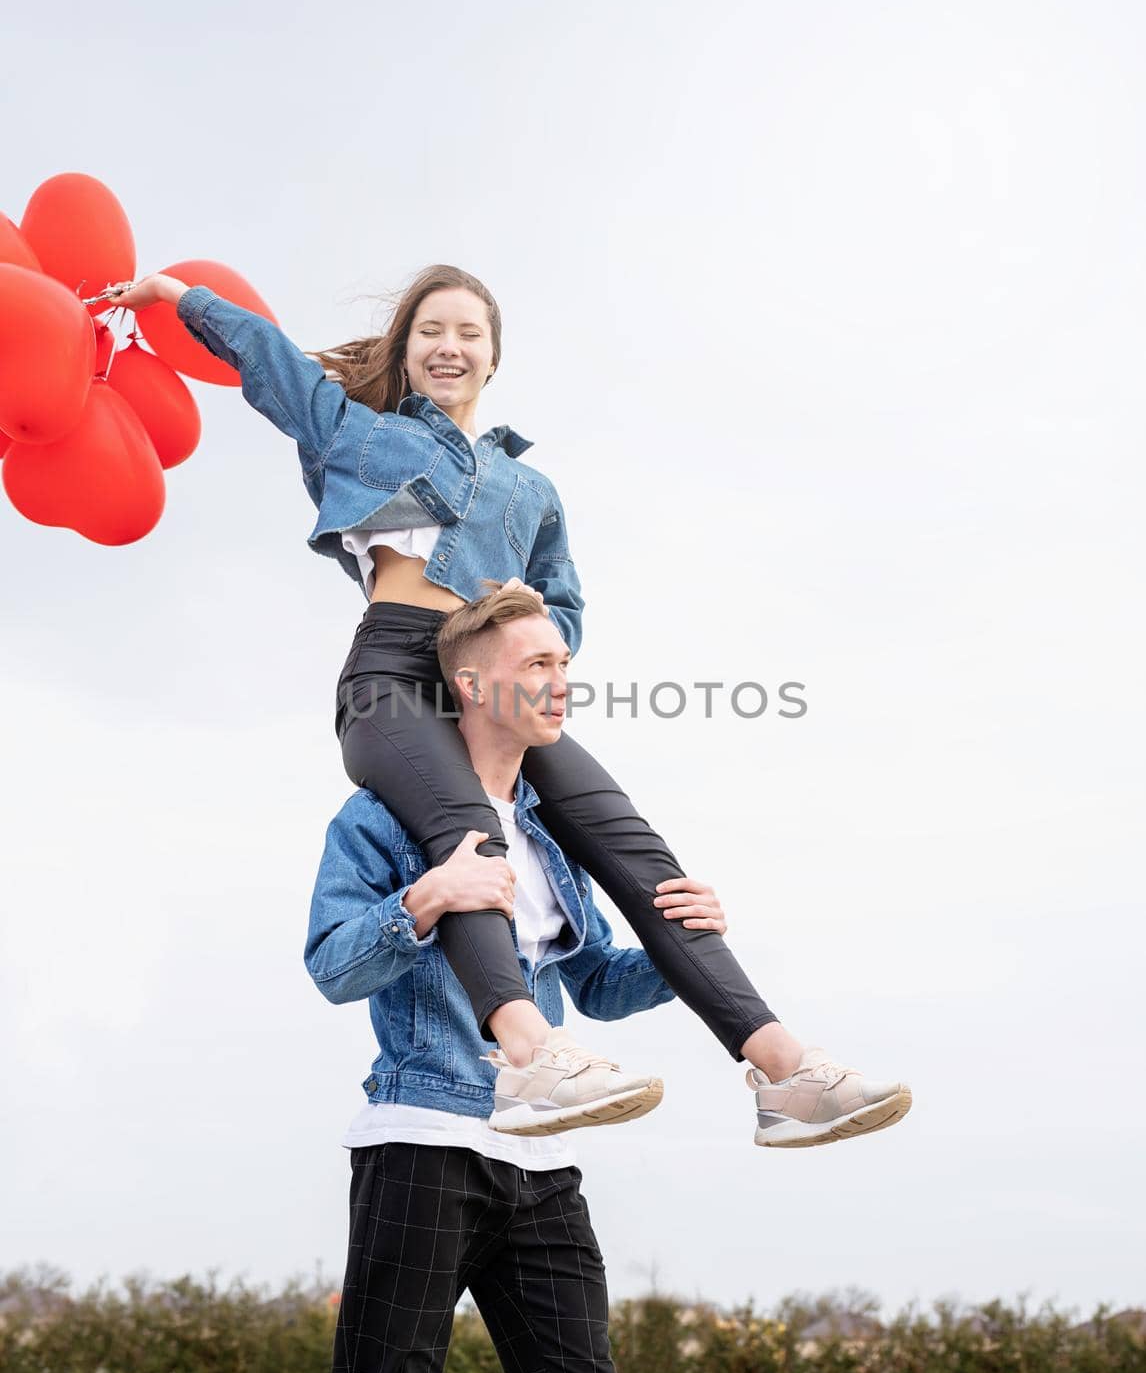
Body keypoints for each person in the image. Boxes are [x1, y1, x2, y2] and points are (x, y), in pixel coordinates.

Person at [104, 269, 911, 1148]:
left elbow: (565, 605)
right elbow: (265, 358)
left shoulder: (532, 492)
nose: (449, 346)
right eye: (430, 331)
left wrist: (517, 631)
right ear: (407, 351)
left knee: (633, 846)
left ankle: (786, 1070)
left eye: (469, 334)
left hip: (496, 677)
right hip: (394, 675)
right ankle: (529, 1055)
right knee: (465, 826)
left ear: (494, 356)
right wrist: (175, 297)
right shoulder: (355, 431)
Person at [306, 587, 691, 1373]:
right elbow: (331, 966)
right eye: (540, 667)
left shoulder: (551, 837)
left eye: (565, 666)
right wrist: (426, 900)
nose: (563, 685)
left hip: (540, 1156)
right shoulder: (380, 818)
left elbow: (592, 983)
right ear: (473, 684)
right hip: (422, 1143)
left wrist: (683, 949)